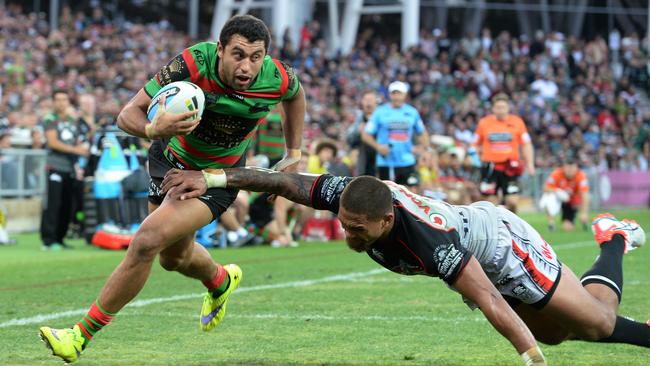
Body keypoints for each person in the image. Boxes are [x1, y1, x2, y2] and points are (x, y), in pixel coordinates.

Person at [161, 166, 649, 365]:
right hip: (474, 250)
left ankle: (616, 239)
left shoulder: (429, 242)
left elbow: (489, 298)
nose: (347, 233)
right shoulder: (347, 195)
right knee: (561, 332)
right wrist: (214, 177)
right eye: (344, 223)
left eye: (358, 229)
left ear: (387, 220)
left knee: (598, 323)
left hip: (503, 248)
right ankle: (613, 240)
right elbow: (281, 183)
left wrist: (529, 360)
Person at [39, 15, 306, 363]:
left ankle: (78, 336)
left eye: (256, 57)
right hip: (168, 160)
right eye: (238, 55)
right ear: (220, 49)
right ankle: (220, 279)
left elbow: (295, 96)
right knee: (173, 258)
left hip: (217, 175)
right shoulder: (193, 63)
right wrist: (152, 128)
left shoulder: (277, 76)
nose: (247, 66)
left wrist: (293, 154)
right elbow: (126, 115)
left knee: (147, 241)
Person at [39, 89, 89, 250]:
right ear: (53, 102)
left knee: (68, 205)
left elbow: (83, 136)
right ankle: (48, 240)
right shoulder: (50, 119)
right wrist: (77, 150)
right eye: (58, 99)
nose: (61, 103)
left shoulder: (71, 120)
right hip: (55, 166)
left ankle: (60, 239)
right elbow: (53, 143)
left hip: (70, 169)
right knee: (54, 204)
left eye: (64, 100)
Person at [473, 93, 535, 212]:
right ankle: (493, 227)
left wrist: (530, 164)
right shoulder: (484, 123)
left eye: (503, 107)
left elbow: (526, 144)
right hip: (490, 167)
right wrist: (475, 159)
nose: (500, 110)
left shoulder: (517, 122)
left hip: (510, 167)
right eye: (498, 107)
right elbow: (475, 144)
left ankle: (511, 226)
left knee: (512, 202)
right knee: (489, 203)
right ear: (493, 108)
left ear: (508, 108)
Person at [361, 81, 429, 187]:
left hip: (407, 161)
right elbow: (366, 135)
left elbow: (422, 132)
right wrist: (378, 147)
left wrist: (424, 150)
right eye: (394, 93)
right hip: (386, 162)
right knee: (388, 196)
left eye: (399, 93)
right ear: (390, 94)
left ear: (405, 95)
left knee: (412, 193)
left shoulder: (412, 112)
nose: (396, 97)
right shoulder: (380, 112)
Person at [540, 157, 589, 232]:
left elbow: (584, 195)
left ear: (576, 168)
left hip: (572, 202)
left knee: (567, 228)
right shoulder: (556, 174)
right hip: (559, 199)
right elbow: (545, 187)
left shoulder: (581, 176)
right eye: (568, 168)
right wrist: (557, 190)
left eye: (572, 168)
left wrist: (584, 213)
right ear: (564, 167)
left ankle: (583, 222)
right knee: (547, 197)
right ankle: (551, 224)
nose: (570, 171)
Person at [346, 90, 378, 176]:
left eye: (371, 100)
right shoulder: (359, 119)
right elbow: (349, 139)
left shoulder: (381, 118)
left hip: (378, 164)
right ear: (362, 102)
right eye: (366, 100)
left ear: (376, 103)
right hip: (362, 165)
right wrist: (358, 131)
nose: (368, 102)